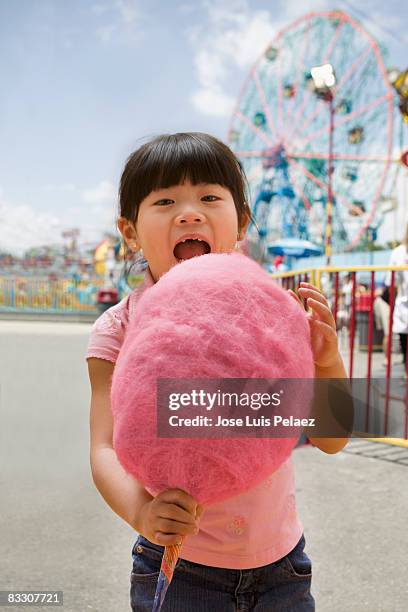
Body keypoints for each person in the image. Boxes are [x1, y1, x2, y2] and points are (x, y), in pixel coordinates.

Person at [86, 132, 348, 612]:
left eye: (209, 197)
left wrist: (326, 361)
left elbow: (332, 439)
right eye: (165, 201)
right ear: (129, 231)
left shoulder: (274, 316)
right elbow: (103, 445)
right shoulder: (119, 328)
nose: (189, 212)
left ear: (241, 221)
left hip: (282, 567)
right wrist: (141, 512)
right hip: (178, 564)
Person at [386, 227, 408, 368]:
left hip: (402, 302)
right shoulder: (398, 252)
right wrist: (392, 303)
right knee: (404, 339)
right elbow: (391, 283)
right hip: (404, 303)